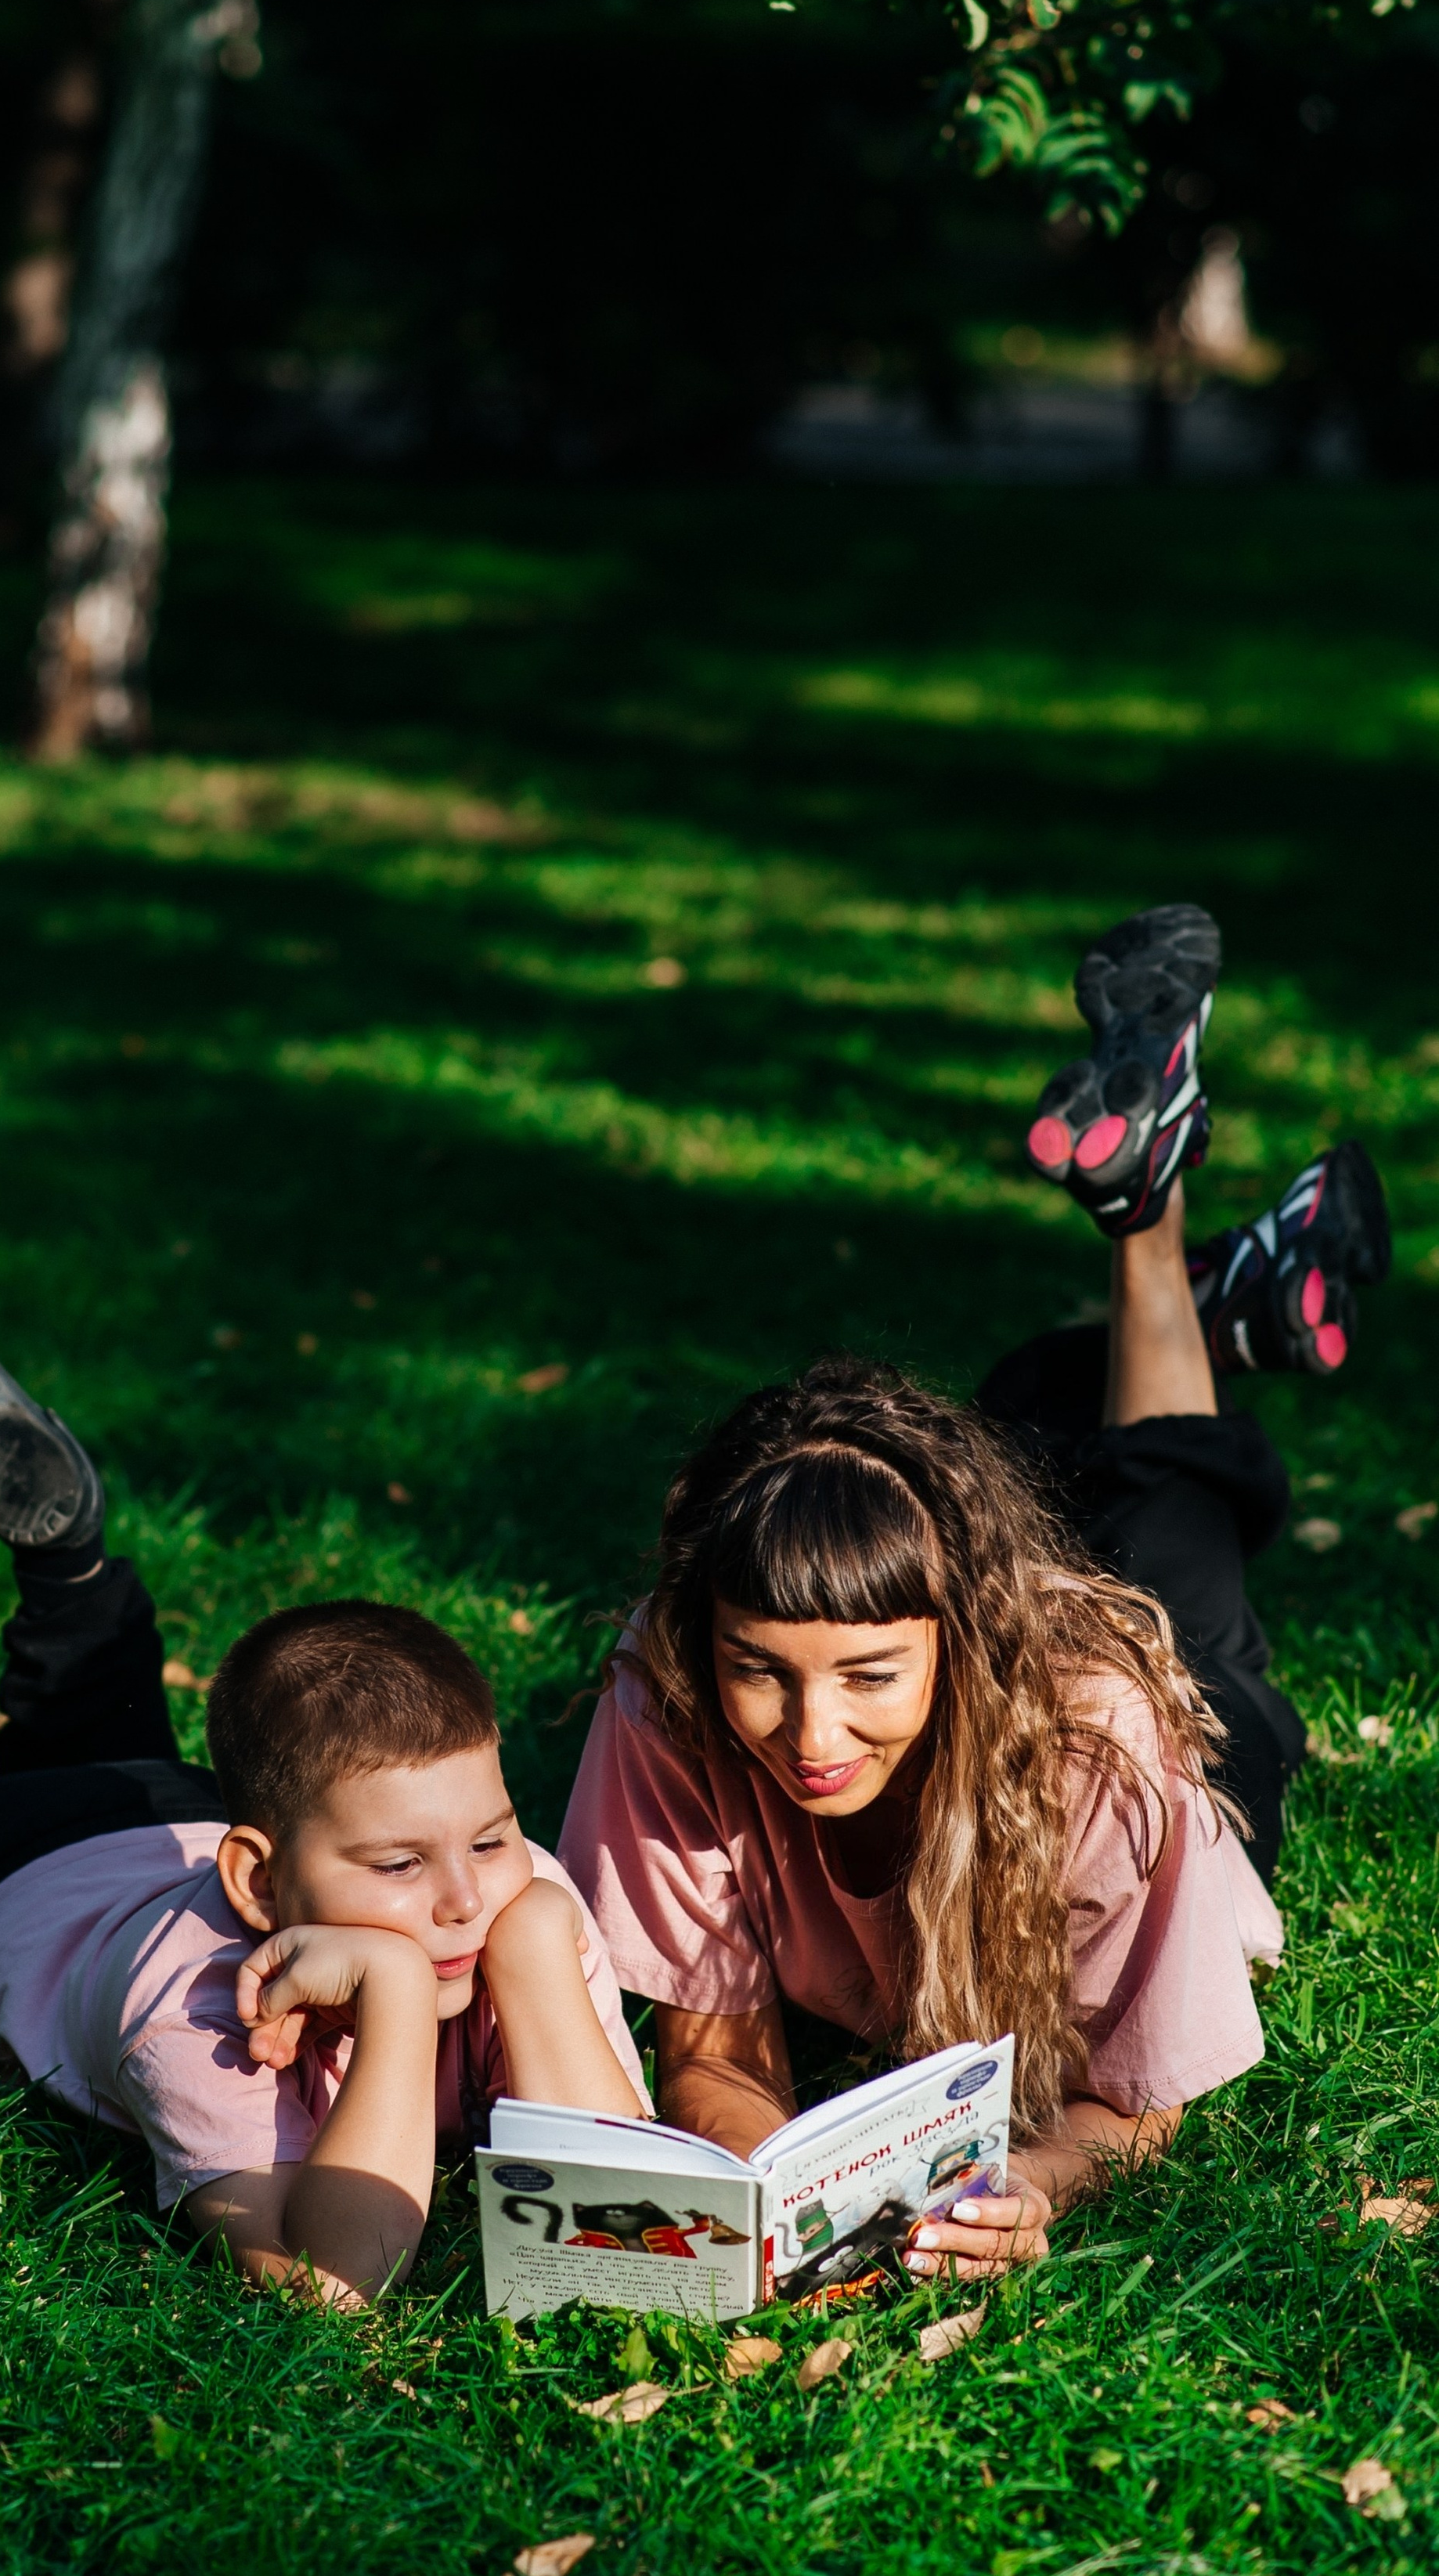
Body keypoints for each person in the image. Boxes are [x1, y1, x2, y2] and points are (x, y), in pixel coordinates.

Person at [559, 904, 1390, 2286]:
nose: (810, 1737)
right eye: (761, 1667)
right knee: (1035, 1407)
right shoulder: (666, 1686)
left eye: (869, 1677)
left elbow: (1140, 2098)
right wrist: (765, 2196)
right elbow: (711, 2046)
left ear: (964, 1638)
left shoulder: (1104, 1739)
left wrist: (1040, 2180)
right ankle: (1225, 1302)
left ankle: (1147, 1220)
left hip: (1193, 1740)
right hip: (986, 1569)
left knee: (1170, 1499)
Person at [0, 1280, 645, 2306]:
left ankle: (69, 1556)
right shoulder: (201, 2006)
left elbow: (639, 2224)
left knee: (127, 1771)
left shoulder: (516, 1905)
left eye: (490, 1841)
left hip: (176, 1809)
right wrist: (391, 1993)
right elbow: (331, 2286)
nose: (466, 1901)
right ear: (258, 1884)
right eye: (400, 1868)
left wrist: (534, 1955)